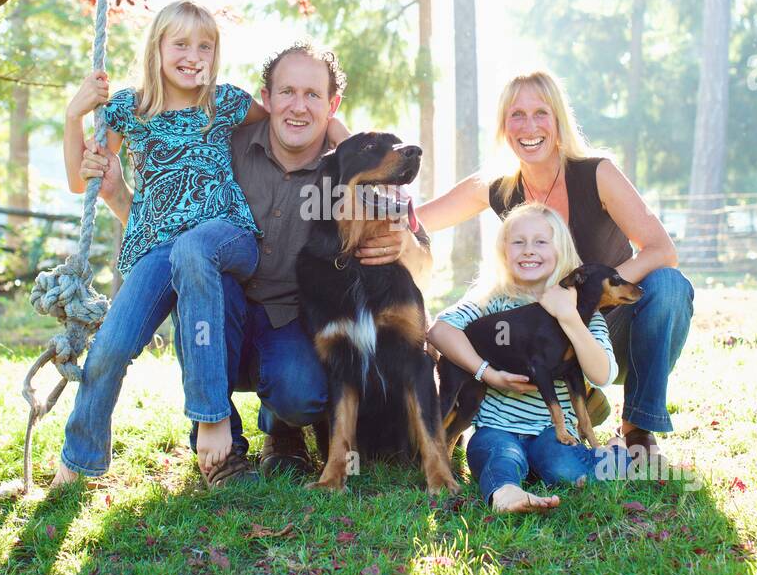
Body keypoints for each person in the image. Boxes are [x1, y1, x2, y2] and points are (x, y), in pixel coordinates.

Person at [83, 39, 431, 482]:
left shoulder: (351, 168)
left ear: (332, 104)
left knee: (303, 392)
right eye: (286, 92)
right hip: (216, 311)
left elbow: (421, 263)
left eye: (313, 95)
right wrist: (115, 194)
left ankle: (283, 429)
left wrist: (406, 247)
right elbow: (168, 222)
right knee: (202, 290)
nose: (298, 107)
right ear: (265, 99)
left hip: (289, 321)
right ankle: (219, 446)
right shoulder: (222, 142)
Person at [53, 2, 347, 489]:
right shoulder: (126, 109)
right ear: (157, 48)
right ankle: (78, 460)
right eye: (181, 44)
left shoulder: (224, 102)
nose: (194, 56)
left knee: (196, 247)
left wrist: (349, 140)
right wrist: (73, 116)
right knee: (109, 346)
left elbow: (291, 113)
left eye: (205, 46)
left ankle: (212, 420)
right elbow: (75, 180)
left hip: (226, 236)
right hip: (156, 249)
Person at [416, 71, 693, 463]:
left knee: (669, 286)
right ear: (503, 126)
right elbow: (420, 219)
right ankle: (511, 416)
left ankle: (638, 429)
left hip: (604, 330)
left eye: (540, 113)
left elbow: (662, 249)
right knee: (474, 326)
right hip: (545, 340)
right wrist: (372, 214)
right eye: (517, 115)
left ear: (559, 119)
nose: (529, 127)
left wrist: (585, 298)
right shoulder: (497, 185)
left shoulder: (598, 173)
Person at [427, 203, 630, 512]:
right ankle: (507, 494)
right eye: (518, 242)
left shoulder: (589, 316)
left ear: (560, 250)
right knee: (496, 458)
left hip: (552, 433)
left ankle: (615, 453)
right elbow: (439, 331)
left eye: (540, 242)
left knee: (565, 469)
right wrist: (487, 373)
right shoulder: (492, 301)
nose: (528, 250)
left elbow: (602, 375)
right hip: (497, 428)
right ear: (503, 251)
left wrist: (570, 318)